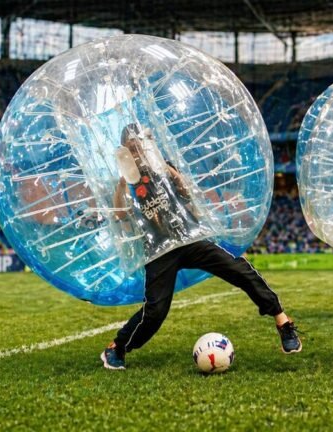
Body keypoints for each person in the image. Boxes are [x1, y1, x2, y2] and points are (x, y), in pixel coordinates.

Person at [101, 124, 301, 370]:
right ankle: (117, 347)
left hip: (188, 238)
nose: (137, 150)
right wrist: (123, 183)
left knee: (238, 269)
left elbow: (187, 195)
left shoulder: (163, 165)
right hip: (159, 250)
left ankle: (283, 322)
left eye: (140, 145)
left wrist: (169, 172)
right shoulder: (125, 181)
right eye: (132, 148)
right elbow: (120, 216)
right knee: (155, 311)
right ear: (127, 151)